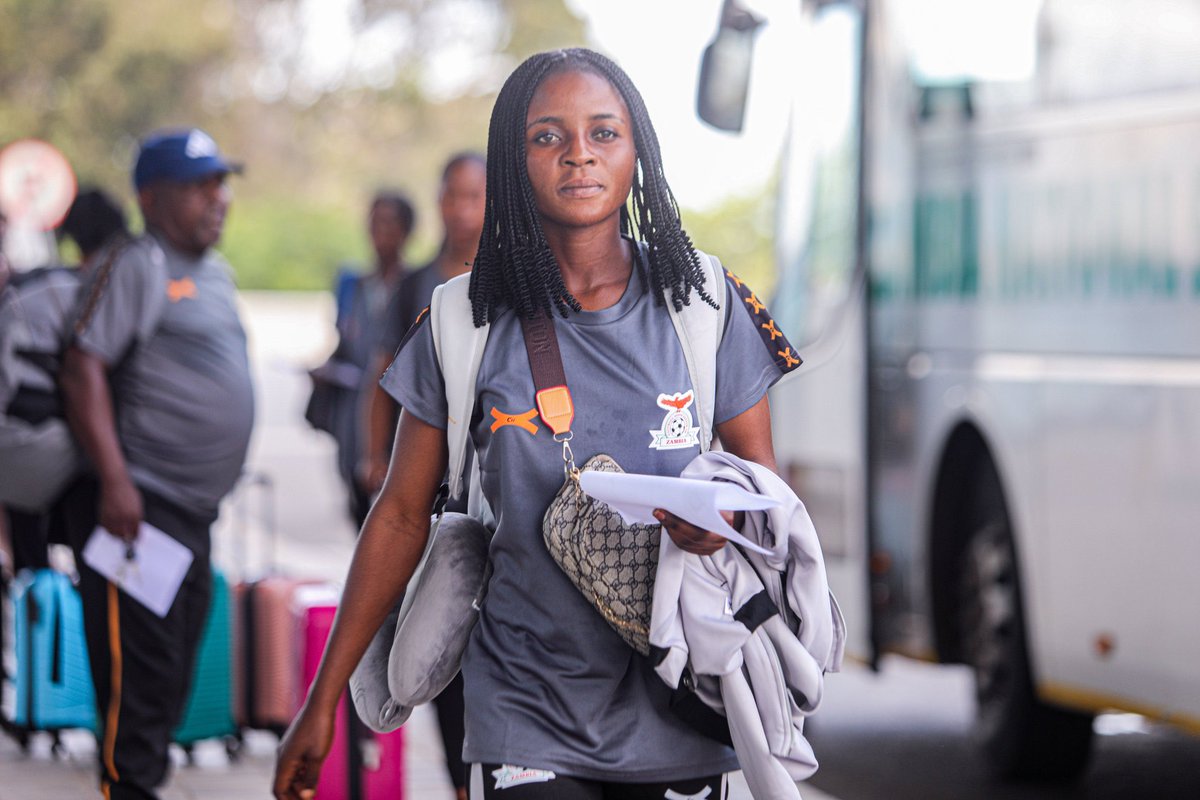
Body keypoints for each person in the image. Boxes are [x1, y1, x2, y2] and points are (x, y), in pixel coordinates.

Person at [274, 48, 801, 799]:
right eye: (547, 136)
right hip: (526, 711)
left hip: (683, 708)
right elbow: (397, 516)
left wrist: (720, 522)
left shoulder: (704, 303)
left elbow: (762, 488)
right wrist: (320, 704)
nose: (579, 153)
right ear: (512, 162)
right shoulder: (461, 321)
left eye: (603, 133)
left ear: (637, 150)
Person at [58, 129, 254, 800]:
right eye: (200, 186)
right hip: (138, 511)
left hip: (192, 516)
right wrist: (114, 482)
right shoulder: (139, 264)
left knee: (169, 679)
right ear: (152, 196)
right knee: (136, 691)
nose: (217, 199)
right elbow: (83, 366)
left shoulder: (216, 273)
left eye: (220, 184)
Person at [355, 151, 485, 800]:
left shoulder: (513, 282)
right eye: (452, 195)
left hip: (487, 513)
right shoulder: (417, 288)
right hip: (427, 504)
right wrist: (376, 460)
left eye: (475, 195)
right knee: (428, 644)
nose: (461, 209)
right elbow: (384, 378)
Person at [0, 188, 130, 573]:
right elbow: (82, 383)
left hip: (19, 459)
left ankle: (35, 599)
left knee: (35, 568)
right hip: (54, 456)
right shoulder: (100, 289)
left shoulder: (33, 288)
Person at [326, 191, 415, 527]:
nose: (380, 232)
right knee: (358, 509)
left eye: (389, 223)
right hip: (352, 415)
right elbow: (345, 343)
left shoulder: (415, 286)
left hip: (397, 418)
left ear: (406, 231)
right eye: (375, 222)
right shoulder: (354, 285)